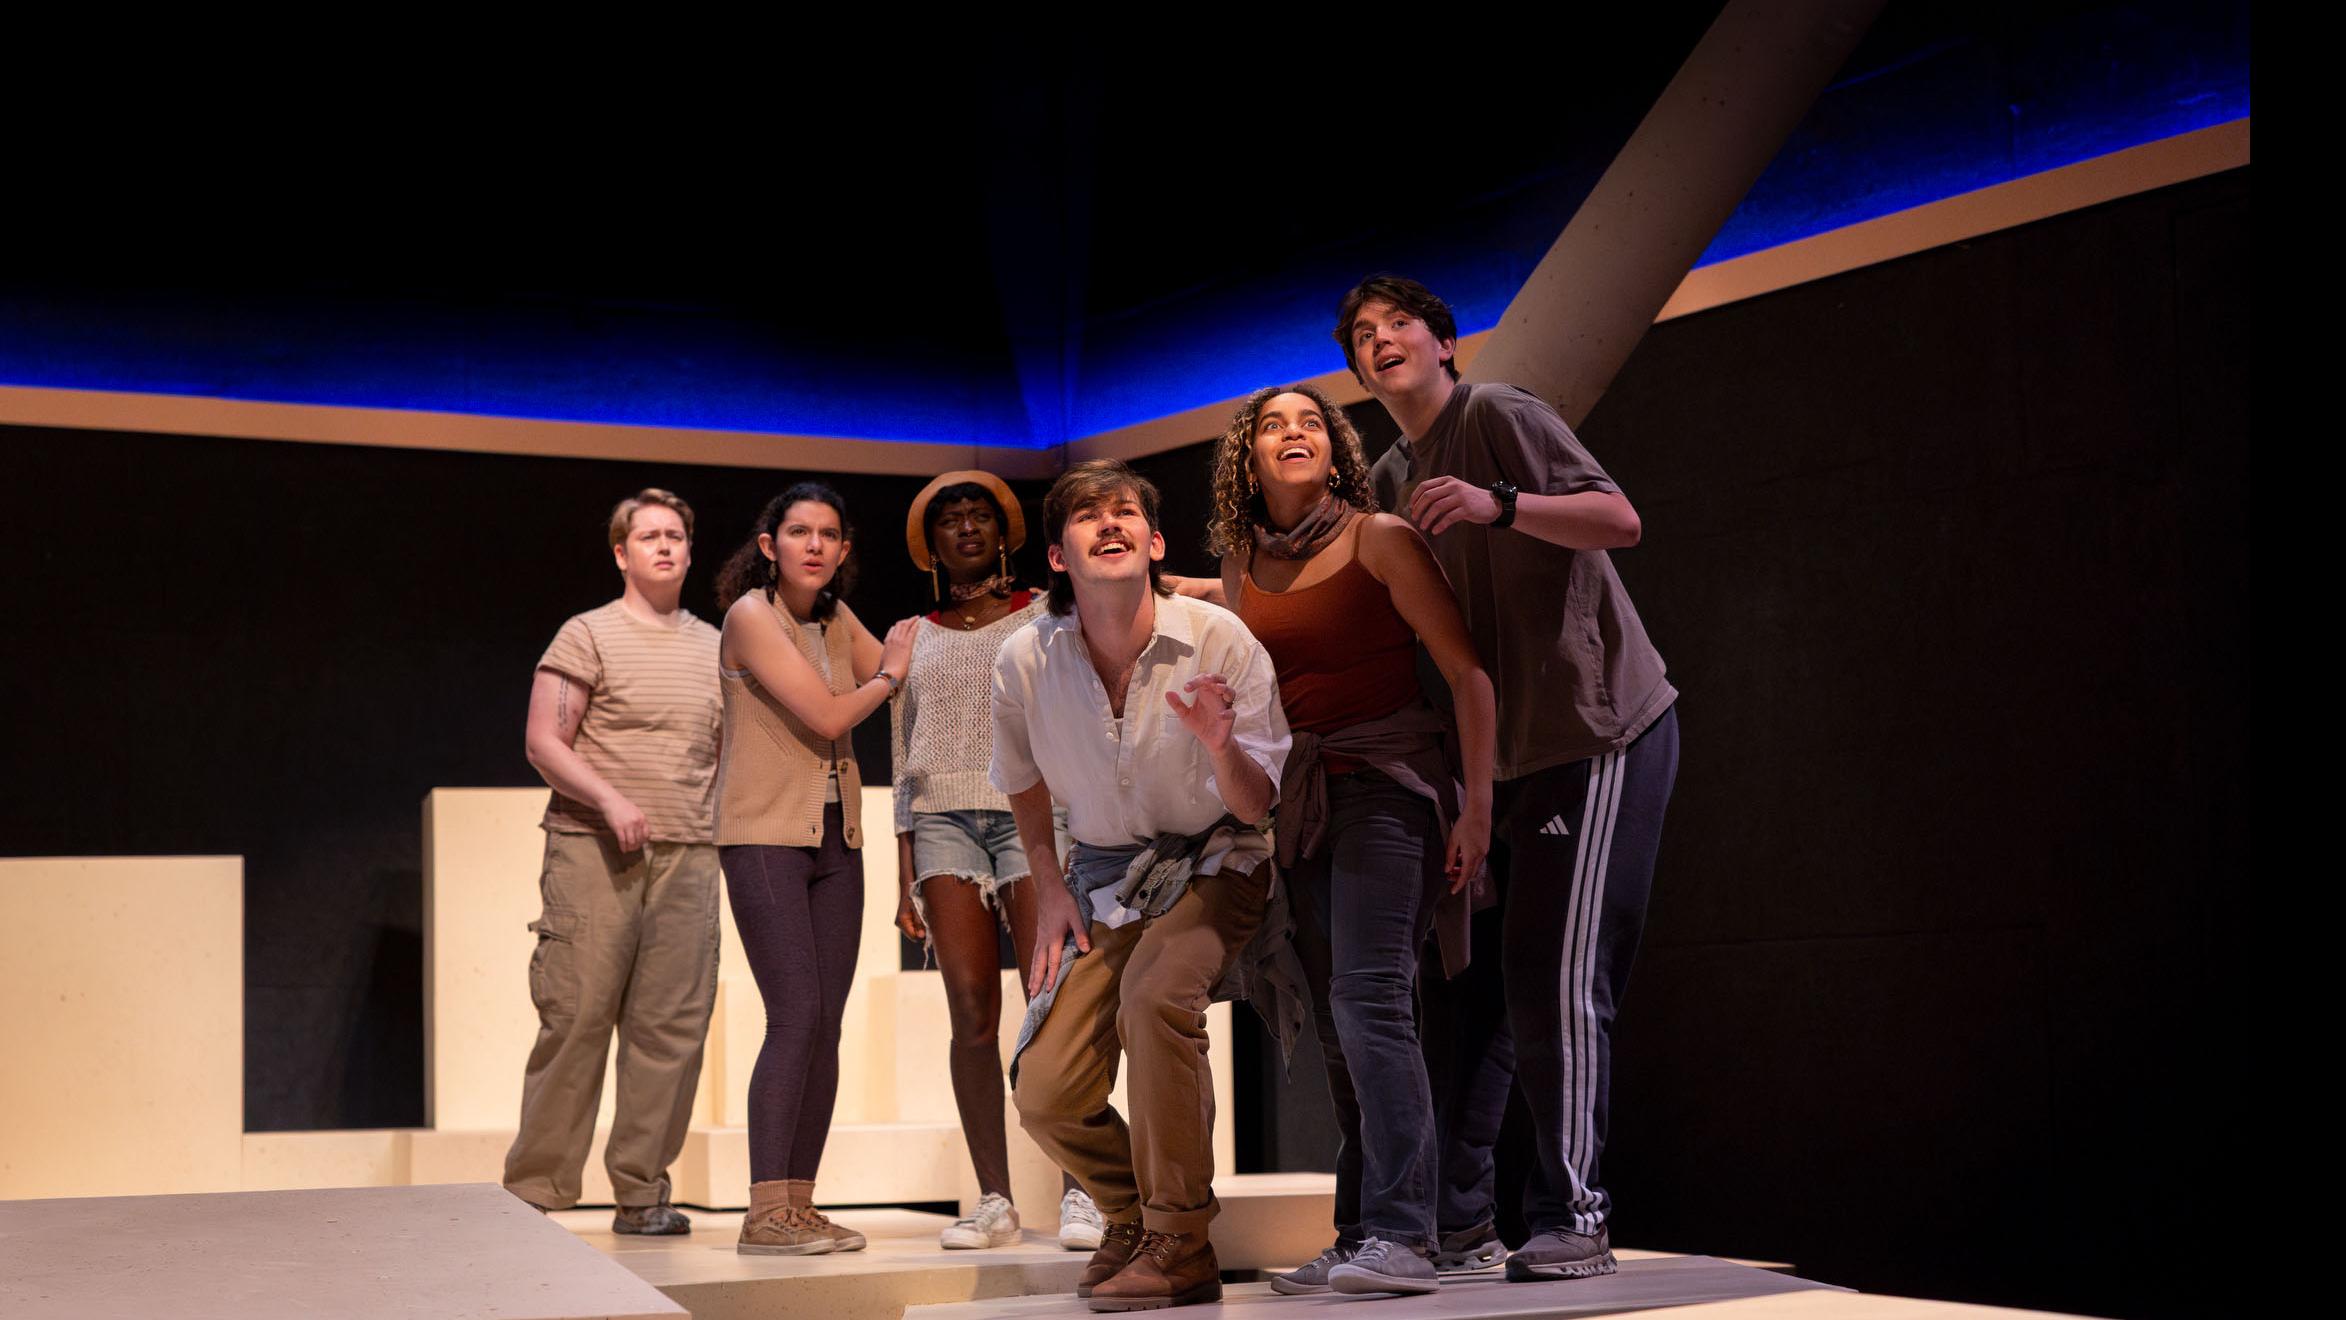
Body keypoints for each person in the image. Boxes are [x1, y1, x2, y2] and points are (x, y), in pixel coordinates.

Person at [1346, 275, 1681, 1281]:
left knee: (1558, 979)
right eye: (1362, 335)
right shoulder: (1397, 474)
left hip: (1600, 730)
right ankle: (1461, 1219)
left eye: (1398, 324)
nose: (1381, 341)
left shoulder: (1496, 411)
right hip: (1513, 757)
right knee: (1491, 993)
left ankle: (1574, 1214)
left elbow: (1619, 522)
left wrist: (1500, 504)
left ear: (1444, 342)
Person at [1189, 384, 1497, 1297]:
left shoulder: (1382, 538)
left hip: (1390, 789)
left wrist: (1475, 806)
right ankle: (1363, 1227)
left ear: (1336, 450)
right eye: (1273, 425)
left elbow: (1468, 673)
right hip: (1301, 804)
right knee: (1333, 1022)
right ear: (1248, 457)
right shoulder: (1241, 567)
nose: (1293, 434)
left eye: (1311, 423)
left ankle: (1409, 1231)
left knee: (1370, 1001)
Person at [993, 459, 1296, 1312]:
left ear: (1156, 543)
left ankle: (1180, 1239)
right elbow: (1018, 776)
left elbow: (1257, 801)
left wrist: (1217, 743)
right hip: (1103, 876)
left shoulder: (1219, 639)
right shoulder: (1024, 657)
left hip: (1217, 855)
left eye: (1126, 513)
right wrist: (1048, 888)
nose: (1111, 524)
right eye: (1089, 517)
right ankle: (1127, 1212)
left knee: (1155, 994)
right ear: (1059, 555)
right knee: (1046, 1089)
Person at [889, 469, 1102, 1252]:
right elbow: (901, 754)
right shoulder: (916, 632)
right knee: (971, 1013)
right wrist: (900, 870)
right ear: (933, 543)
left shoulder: (1043, 616)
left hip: (1030, 818)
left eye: (981, 515)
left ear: (1005, 533)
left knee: (1049, 1003)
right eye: (952, 520)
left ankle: (1082, 1190)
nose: (968, 528)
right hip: (943, 821)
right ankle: (993, 1199)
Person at [503, 488, 724, 1236]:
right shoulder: (587, 633)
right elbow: (544, 741)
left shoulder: (715, 644)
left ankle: (642, 1193)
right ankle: (535, 1193)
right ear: (622, 552)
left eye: (675, 535)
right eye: (648, 536)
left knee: (671, 1031)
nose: (663, 546)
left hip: (689, 854)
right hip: (593, 848)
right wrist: (611, 801)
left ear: (689, 551)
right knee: (576, 1019)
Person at [712, 482, 916, 1256]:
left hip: (839, 837)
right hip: (764, 834)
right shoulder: (750, 617)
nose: (814, 546)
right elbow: (834, 713)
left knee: (826, 1023)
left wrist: (915, 655)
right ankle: (765, 1209)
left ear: (844, 549)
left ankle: (798, 1202)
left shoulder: (833, 619)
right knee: (794, 1013)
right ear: (769, 545)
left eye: (829, 535)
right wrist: (890, 672)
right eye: (799, 532)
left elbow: (907, 672)